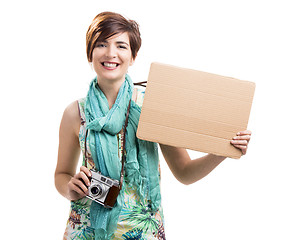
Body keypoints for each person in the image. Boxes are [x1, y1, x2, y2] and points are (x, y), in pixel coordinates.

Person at [54, 11, 252, 240]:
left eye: (121, 46)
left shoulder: (153, 105)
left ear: (133, 56)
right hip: (87, 230)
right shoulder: (75, 113)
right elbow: (61, 174)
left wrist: (223, 151)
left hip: (144, 231)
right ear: (90, 52)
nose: (111, 54)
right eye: (101, 44)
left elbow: (184, 172)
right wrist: (69, 187)